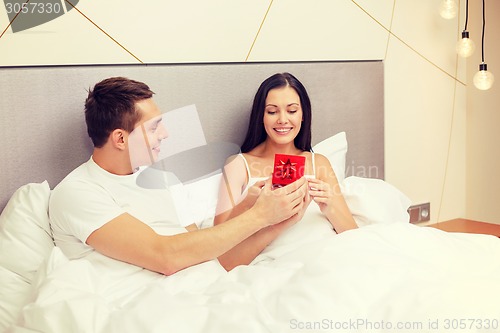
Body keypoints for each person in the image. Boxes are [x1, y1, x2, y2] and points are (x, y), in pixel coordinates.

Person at [49, 76, 309, 276]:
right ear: (120, 138)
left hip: (200, 291)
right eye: (154, 127)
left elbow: (210, 258)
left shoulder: (163, 180)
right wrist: (260, 215)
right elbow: (166, 257)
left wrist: (273, 217)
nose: (165, 134)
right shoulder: (78, 192)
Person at [214, 72, 357, 270]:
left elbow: (355, 237)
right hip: (273, 269)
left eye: (292, 111)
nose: (282, 120)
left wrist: (329, 205)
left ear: (303, 115)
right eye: (272, 112)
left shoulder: (319, 163)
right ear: (261, 116)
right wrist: (251, 206)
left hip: (327, 260)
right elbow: (216, 248)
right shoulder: (239, 165)